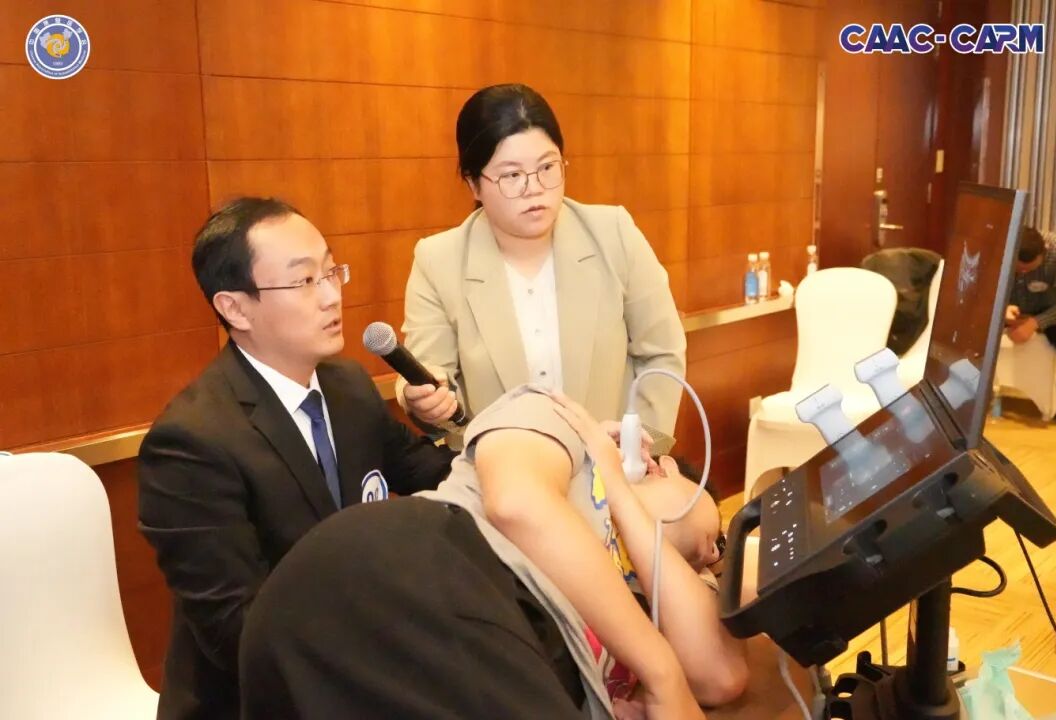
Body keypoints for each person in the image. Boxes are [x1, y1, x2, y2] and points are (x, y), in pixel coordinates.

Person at [239, 386, 747, 720]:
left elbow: (720, 677)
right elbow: (517, 505)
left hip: (464, 644)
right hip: (404, 568)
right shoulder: (560, 423)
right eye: (720, 538)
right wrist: (661, 672)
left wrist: (627, 506)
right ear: (659, 466)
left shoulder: (627, 612)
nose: (711, 557)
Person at [138, 198, 455, 720]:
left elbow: (436, 477)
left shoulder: (348, 387)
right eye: (305, 281)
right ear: (235, 308)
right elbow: (238, 629)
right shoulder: (191, 443)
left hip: (360, 665)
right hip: (261, 699)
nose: (332, 296)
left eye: (331, 272)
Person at [397, 83, 686, 443]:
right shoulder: (438, 262)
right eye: (512, 175)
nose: (534, 187)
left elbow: (662, 354)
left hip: (611, 466)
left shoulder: (613, 234)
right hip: (501, 472)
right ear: (473, 184)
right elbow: (433, 381)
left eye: (547, 166)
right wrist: (428, 403)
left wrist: (640, 453)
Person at [1005, 226, 1056, 421]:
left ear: (1044, 252)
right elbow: (980, 290)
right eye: (1018, 269)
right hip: (1006, 310)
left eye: (1028, 269)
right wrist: (1001, 309)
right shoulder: (1001, 248)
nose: (1022, 273)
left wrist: (1035, 323)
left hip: (1047, 312)